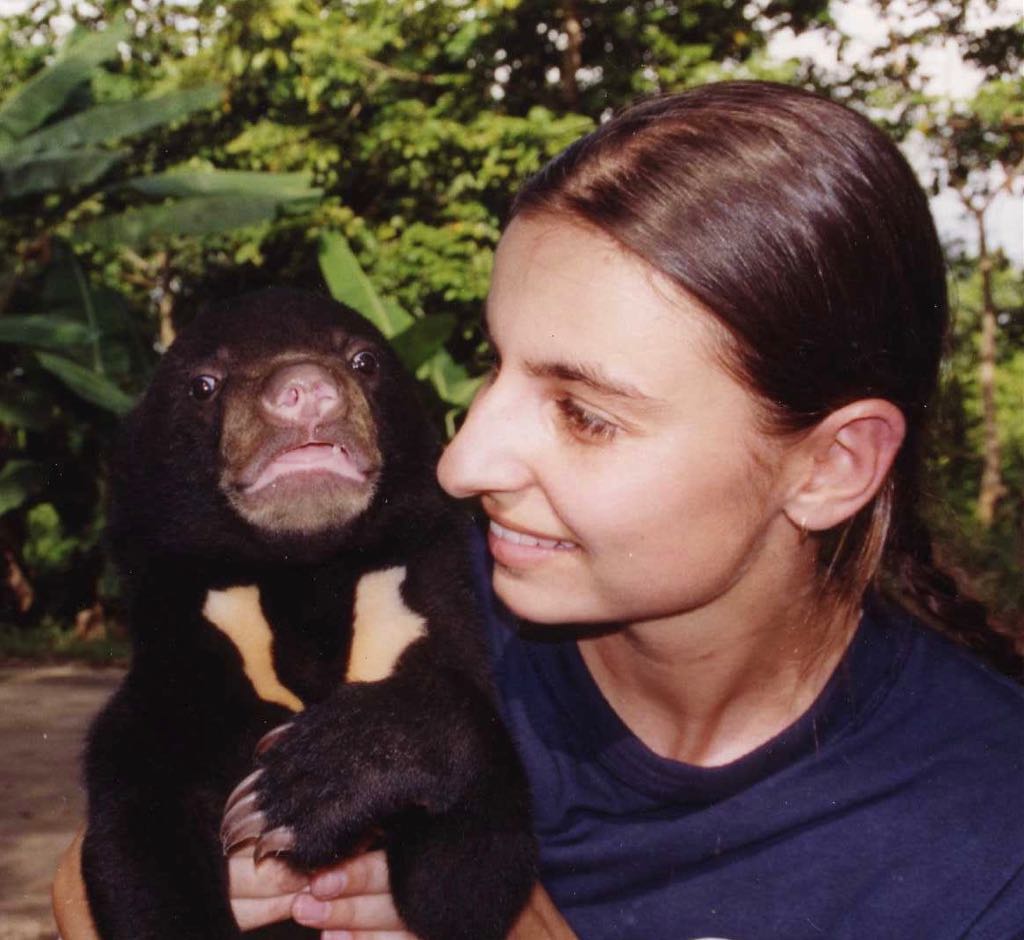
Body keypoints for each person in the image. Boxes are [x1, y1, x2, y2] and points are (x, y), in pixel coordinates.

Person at [57, 80, 1024, 939]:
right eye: (497, 364)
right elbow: (110, 850)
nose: (464, 463)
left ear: (831, 465)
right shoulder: (433, 591)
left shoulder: (985, 847)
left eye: (585, 414)